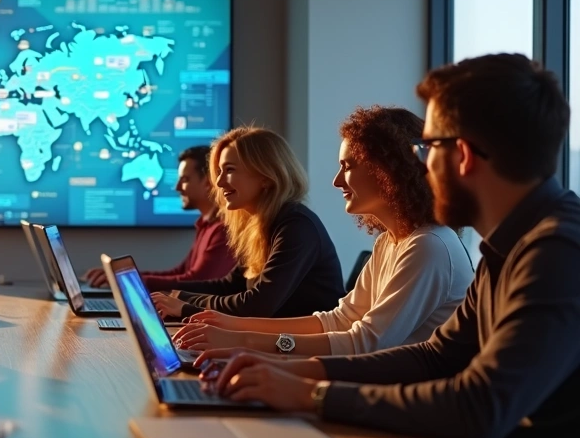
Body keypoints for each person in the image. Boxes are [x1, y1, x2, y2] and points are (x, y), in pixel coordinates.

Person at [199, 54, 580, 438]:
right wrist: (291, 371)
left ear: (463, 156)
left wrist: (311, 394)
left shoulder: (557, 250)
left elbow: (481, 406)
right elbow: (434, 357)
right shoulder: (508, 244)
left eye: (426, 148)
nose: (419, 166)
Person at [172, 107, 472, 356]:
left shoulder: (428, 246)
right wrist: (233, 327)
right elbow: (339, 320)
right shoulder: (391, 242)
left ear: (388, 170)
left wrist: (244, 340)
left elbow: (364, 343)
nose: (337, 181)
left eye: (347, 166)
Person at [149, 127, 344, 320]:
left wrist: (185, 308)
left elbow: (257, 305)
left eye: (229, 170)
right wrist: (176, 295)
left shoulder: (296, 226)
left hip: (301, 348)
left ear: (267, 177)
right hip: (271, 342)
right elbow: (230, 286)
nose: (219, 182)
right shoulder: (259, 225)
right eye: (219, 171)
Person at [84, 145, 235, 289]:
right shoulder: (206, 225)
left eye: (185, 180)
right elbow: (179, 273)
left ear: (208, 183)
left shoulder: (221, 229)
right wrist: (123, 276)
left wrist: (127, 281)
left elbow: (195, 282)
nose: (177, 187)